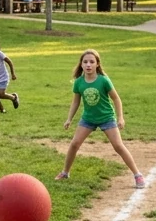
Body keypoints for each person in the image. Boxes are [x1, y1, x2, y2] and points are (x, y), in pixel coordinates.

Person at [55, 49, 144, 188]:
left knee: (118, 146)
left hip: (106, 118)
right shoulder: (78, 82)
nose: (88, 65)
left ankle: (137, 175)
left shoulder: (104, 80)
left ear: (97, 64)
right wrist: (69, 119)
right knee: (74, 144)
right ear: (81, 64)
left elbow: (116, 99)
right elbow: (76, 102)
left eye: (92, 62)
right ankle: (65, 172)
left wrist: (120, 118)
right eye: (85, 62)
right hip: (88, 118)